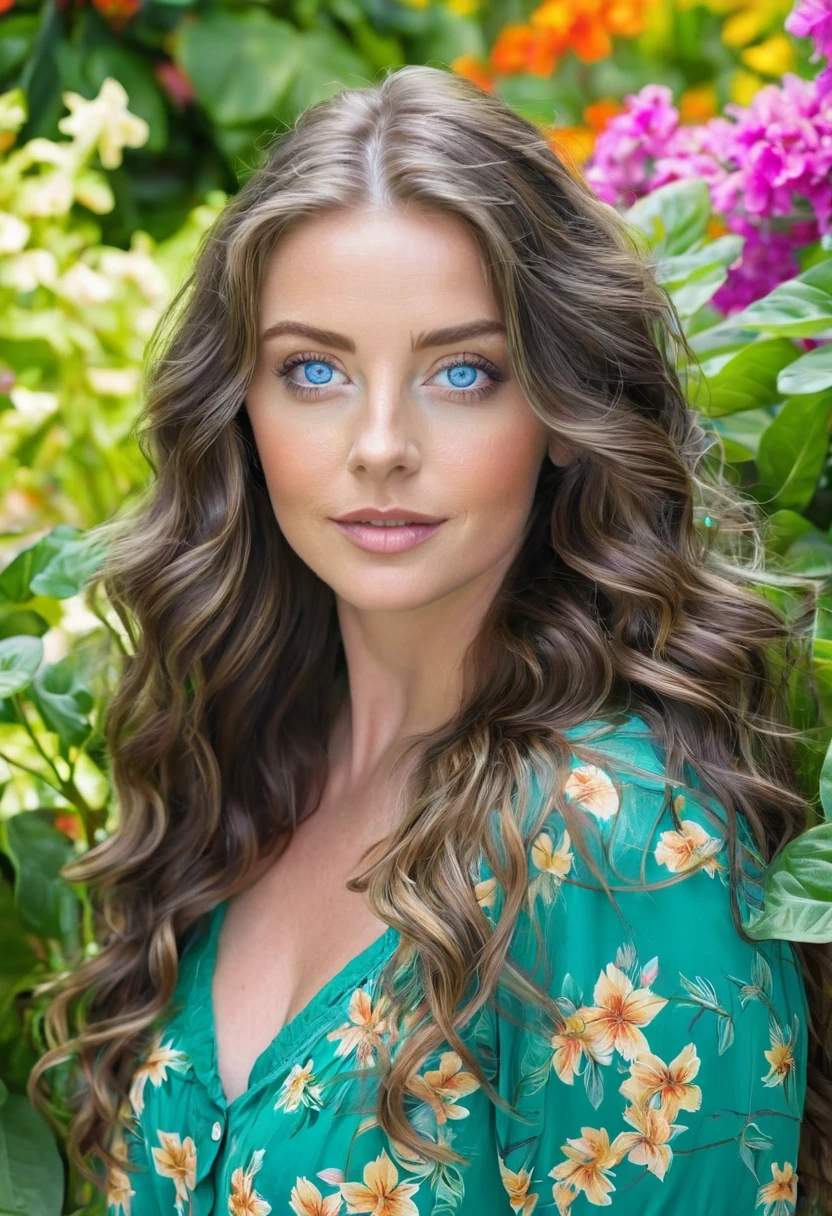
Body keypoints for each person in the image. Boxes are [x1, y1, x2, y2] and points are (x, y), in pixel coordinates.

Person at [27, 63, 830, 1216]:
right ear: (241, 413)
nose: (381, 444)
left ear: (559, 413)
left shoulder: (622, 846)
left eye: (462, 371)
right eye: (314, 371)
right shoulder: (244, 763)